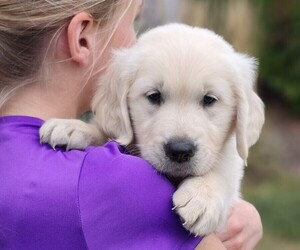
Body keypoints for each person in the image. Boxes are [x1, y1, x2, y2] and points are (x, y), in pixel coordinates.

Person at [0, 0, 262, 249]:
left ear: (241, 111)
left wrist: (218, 191)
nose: (180, 140)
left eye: (209, 100)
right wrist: (97, 134)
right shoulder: (124, 184)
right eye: (155, 97)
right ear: (81, 37)